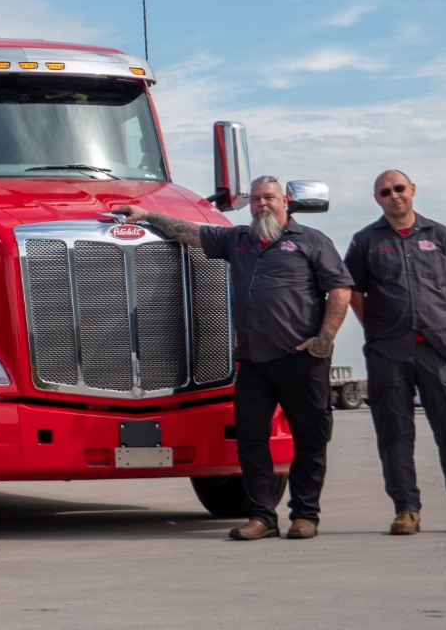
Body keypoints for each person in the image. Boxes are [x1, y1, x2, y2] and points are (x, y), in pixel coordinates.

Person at [116, 177, 351, 540]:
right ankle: (262, 517)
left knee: (310, 439)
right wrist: (147, 214)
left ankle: (305, 516)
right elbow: (189, 232)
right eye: (256, 199)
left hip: (301, 361)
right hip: (253, 363)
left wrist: (324, 339)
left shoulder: (312, 242)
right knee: (251, 440)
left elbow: (339, 288)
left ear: (285, 201)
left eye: (268, 197)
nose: (261, 204)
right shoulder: (237, 240)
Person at [345, 169, 446, 536]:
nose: (394, 196)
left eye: (399, 189)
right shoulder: (365, 241)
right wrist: (379, 331)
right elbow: (354, 293)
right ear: (377, 199)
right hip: (388, 352)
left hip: (437, 349)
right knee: (395, 433)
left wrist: (434, 320)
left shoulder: (439, 235)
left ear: (412, 190)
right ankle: (406, 510)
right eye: (385, 192)